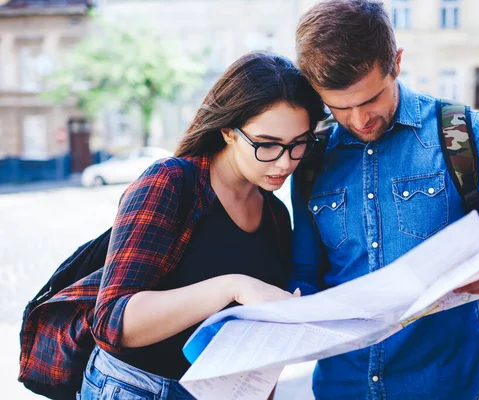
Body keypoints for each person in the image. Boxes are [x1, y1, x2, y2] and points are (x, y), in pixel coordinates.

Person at [289, 1, 479, 399]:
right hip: (341, 387)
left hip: (444, 385)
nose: (358, 121)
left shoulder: (461, 134)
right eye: (339, 107)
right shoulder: (311, 157)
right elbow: (305, 271)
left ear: (397, 62)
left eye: (370, 99)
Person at [79, 52, 326, 399]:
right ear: (228, 131)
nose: (285, 162)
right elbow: (111, 322)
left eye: (298, 143)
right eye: (267, 145)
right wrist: (232, 287)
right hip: (136, 388)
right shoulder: (171, 183)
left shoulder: (274, 214)